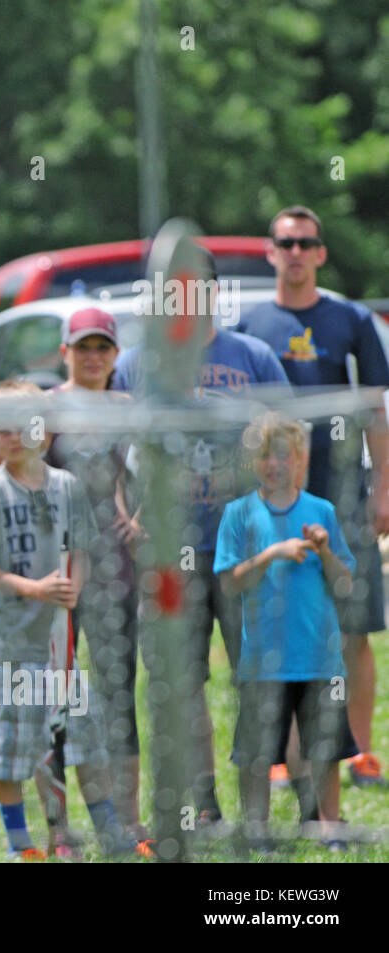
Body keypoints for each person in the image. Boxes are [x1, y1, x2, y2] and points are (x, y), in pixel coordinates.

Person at [111, 254, 291, 825]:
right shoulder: (136, 365)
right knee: (179, 682)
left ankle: (257, 810)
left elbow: (289, 443)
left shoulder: (252, 357)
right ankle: (206, 802)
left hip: (246, 547)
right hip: (169, 553)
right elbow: (111, 455)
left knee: (258, 677)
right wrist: (126, 519)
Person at [0, 308, 145, 842]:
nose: (92, 356)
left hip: (102, 572)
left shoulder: (123, 410)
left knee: (103, 703)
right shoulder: (42, 411)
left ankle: (119, 826)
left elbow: (139, 476)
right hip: (33, 601)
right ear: (64, 351)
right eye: (81, 346)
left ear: (115, 354)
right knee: (37, 719)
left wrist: (135, 517)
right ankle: (54, 834)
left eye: (102, 347)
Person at [238, 205, 389, 789]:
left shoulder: (349, 319)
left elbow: (377, 408)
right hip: (275, 496)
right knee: (279, 624)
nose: (296, 251)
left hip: (343, 490)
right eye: (285, 242)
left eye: (306, 242)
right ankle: (282, 753)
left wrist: (383, 489)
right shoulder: (252, 325)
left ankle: (361, 752)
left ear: (321, 253)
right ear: (270, 251)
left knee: (354, 624)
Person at [215, 413, 358, 848]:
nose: (273, 464)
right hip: (263, 659)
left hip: (318, 654)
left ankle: (326, 824)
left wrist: (325, 551)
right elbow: (228, 581)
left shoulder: (322, 511)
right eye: (262, 456)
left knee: (325, 749)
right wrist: (271, 553)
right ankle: (257, 830)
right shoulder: (238, 514)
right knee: (256, 755)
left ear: (299, 459)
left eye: (282, 455)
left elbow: (344, 584)